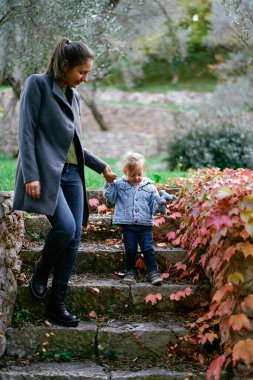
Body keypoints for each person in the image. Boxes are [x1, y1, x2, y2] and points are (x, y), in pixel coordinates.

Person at [13, 37, 116, 328]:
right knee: (66, 226)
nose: (85, 78)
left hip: (73, 175)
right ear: (66, 65)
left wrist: (100, 167)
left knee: (75, 234)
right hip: (46, 173)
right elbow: (27, 132)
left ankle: (57, 304)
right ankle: (41, 269)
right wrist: (30, 174)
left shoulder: (74, 95)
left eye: (88, 73)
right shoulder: (37, 85)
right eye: (82, 72)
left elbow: (75, 142)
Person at [103, 152, 176, 285]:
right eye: (132, 175)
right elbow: (111, 197)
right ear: (125, 172)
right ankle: (130, 271)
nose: (136, 177)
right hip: (128, 224)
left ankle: (153, 272)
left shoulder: (150, 187)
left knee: (147, 248)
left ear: (144, 171)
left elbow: (153, 206)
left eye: (139, 174)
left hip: (145, 224)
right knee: (130, 248)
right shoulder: (119, 185)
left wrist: (160, 204)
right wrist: (109, 182)